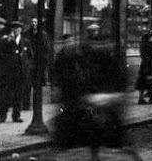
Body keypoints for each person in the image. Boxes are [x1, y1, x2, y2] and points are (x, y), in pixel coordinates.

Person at [51, 24, 129, 160]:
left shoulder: (89, 52)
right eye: (92, 31)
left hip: (93, 101)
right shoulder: (86, 53)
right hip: (91, 102)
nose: (94, 33)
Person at [0, 20, 32, 123]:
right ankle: (2, 116)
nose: (16, 30)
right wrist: (8, 41)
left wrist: (27, 66)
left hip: (20, 73)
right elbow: (1, 54)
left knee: (18, 95)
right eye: (14, 29)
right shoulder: (6, 41)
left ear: (21, 30)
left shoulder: (25, 42)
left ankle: (16, 115)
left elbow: (30, 56)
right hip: (8, 73)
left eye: (18, 28)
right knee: (5, 95)